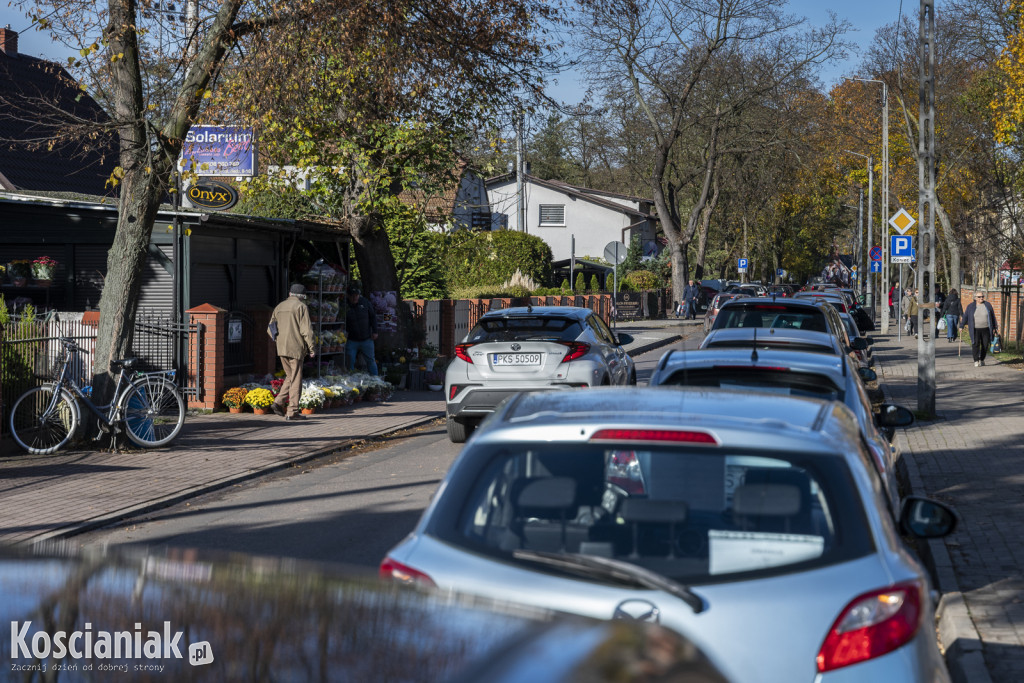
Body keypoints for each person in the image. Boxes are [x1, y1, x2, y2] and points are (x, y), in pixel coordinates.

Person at [269, 283, 315, 420]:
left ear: (290, 294)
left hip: (281, 348)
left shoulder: (279, 307)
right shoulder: (301, 307)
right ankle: (292, 411)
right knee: (296, 380)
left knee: (290, 376)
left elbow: (270, 328)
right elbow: (306, 331)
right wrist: (312, 348)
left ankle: (278, 402)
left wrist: (278, 340)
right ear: (302, 296)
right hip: (295, 348)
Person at [346, 282, 379, 375]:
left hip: (366, 338)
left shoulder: (365, 302)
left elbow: (373, 317)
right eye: (352, 296)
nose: (355, 298)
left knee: (371, 361)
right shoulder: (345, 305)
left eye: (356, 295)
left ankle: (375, 379)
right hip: (351, 339)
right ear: (348, 296)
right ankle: (350, 379)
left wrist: (375, 331)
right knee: (350, 361)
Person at [961, 291, 998, 367]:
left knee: (985, 345)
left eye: (982, 296)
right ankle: (976, 360)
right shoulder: (970, 306)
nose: (981, 298)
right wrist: (961, 326)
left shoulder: (987, 305)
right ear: (975, 298)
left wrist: (995, 327)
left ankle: (982, 359)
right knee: (975, 344)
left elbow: (992, 316)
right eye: (979, 297)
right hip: (975, 329)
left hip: (986, 329)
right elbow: (965, 316)